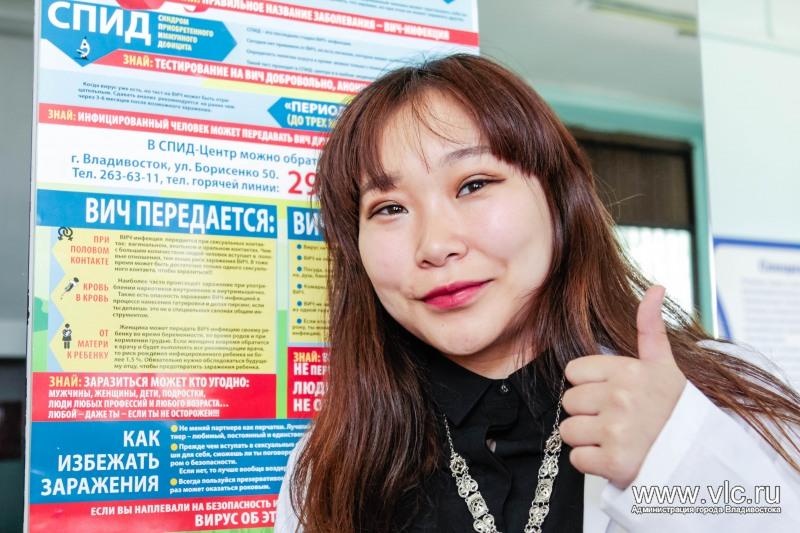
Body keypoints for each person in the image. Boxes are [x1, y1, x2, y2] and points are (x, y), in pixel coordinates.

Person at [275, 53, 800, 532]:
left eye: (474, 184)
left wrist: (679, 460)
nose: (434, 246)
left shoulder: (722, 396)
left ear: (558, 200)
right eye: (389, 208)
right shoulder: (331, 466)